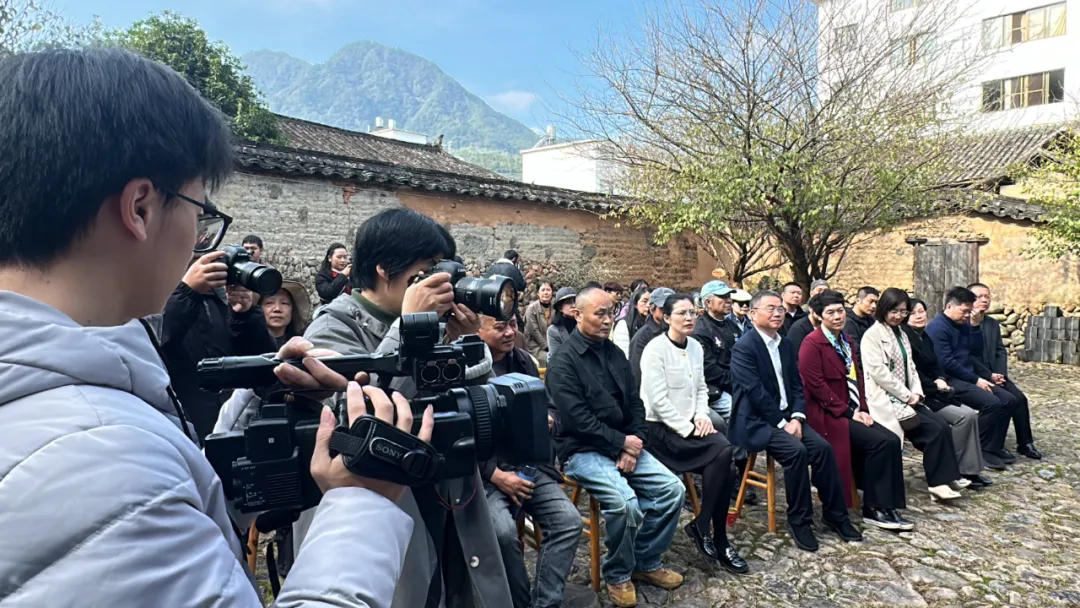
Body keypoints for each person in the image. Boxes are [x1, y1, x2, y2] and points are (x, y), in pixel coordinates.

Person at [0, 46, 430, 606]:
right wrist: (362, 504)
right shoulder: (98, 459)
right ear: (140, 208)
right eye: (201, 213)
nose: (202, 238)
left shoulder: (75, 402)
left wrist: (260, 393)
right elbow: (134, 491)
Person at [299, 207, 511, 608]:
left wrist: (465, 343)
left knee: (459, 586)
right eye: (429, 268)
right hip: (385, 502)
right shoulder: (335, 326)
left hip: (449, 488)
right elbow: (350, 422)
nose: (441, 281)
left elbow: (473, 405)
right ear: (384, 268)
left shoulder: (436, 323)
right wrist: (409, 328)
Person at [546, 286, 685, 607]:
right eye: (600, 314)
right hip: (582, 450)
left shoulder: (615, 353)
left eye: (611, 312)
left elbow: (635, 403)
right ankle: (618, 572)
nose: (609, 320)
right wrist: (621, 443)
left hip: (624, 444)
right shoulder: (564, 362)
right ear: (577, 315)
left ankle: (645, 560)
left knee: (672, 491)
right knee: (625, 504)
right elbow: (578, 420)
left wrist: (633, 442)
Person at [728, 290, 862, 552]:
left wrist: (798, 416)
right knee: (796, 452)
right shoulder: (744, 347)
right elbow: (756, 394)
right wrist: (783, 423)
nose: (778, 313)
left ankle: (836, 515)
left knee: (823, 449)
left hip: (789, 418)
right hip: (758, 421)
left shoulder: (786, 344)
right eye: (771, 308)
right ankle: (799, 520)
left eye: (780, 308)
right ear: (753, 314)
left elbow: (797, 385)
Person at [476, 314, 583, 608]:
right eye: (500, 327)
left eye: (513, 324)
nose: (511, 332)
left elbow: (550, 406)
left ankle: (546, 603)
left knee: (568, 522)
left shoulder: (523, 360)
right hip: (486, 475)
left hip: (529, 466)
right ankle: (517, 602)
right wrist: (494, 474)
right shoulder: (466, 367)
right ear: (478, 329)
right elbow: (458, 434)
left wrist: (548, 419)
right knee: (502, 533)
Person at [640, 294, 748, 574]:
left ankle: (713, 533)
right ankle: (705, 529)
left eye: (692, 313)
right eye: (681, 314)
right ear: (666, 318)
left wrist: (701, 415)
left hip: (690, 424)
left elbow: (701, 388)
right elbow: (658, 402)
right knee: (724, 452)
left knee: (729, 469)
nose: (689, 318)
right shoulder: (655, 350)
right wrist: (689, 427)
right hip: (662, 431)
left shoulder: (696, 348)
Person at [799, 292, 912, 531]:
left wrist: (862, 407)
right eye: (830, 312)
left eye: (840, 310)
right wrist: (850, 413)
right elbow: (816, 386)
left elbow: (857, 377)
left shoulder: (847, 341)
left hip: (851, 409)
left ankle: (887, 504)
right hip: (827, 414)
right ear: (818, 316)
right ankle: (873, 507)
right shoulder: (812, 343)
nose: (838, 316)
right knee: (879, 442)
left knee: (890, 440)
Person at [861, 288, 967, 501]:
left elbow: (910, 366)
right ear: (883, 309)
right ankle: (937, 483)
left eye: (903, 311)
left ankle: (946, 477)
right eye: (894, 311)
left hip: (909, 395)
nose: (899, 316)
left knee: (942, 426)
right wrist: (906, 395)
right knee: (930, 431)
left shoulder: (901, 333)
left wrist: (916, 391)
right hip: (888, 397)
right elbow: (880, 373)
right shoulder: (872, 336)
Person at [160, 254, 277, 441]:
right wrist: (188, 292)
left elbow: (260, 364)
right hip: (181, 429)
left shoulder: (221, 302)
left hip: (234, 426)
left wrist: (245, 315)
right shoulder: (156, 299)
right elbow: (160, 341)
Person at [903, 298, 994, 485]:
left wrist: (941, 378)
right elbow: (913, 373)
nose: (919, 316)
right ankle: (954, 469)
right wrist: (934, 385)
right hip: (923, 394)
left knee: (970, 415)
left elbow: (937, 364)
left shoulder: (924, 335)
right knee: (963, 418)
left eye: (921, 311)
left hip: (938, 390)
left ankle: (969, 470)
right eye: (913, 313)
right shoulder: (905, 337)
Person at [925, 287, 1018, 470]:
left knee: (1009, 400)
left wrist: (974, 327)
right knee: (992, 403)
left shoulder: (964, 324)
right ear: (950, 306)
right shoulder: (938, 328)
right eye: (964, 311)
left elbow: (974, 352)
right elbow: (948, 363)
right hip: (950, 379)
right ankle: (980, 449)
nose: (967, 315)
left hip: (968, 376)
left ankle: (993, 447)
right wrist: (976, 380)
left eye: (969, 311)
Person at [969, 283, 1041, 459]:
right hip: (974, 376)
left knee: (1020, 398)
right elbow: (965, 355)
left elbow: (1000, 350)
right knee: (1003, 400)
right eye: (979, 297)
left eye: (987, 296)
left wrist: (1001, 374)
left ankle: (1025, 443)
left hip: (996, 375)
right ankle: (993, 445)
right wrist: (987, 376)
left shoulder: (992, 324)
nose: (984, 300)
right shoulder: (962, 323)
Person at [691, 280, 739, 425]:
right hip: (714, 389)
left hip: (736, 380)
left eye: (729, 296)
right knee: (736, 409)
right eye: (723, 297)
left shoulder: (731, 325)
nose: (729, 300)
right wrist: (736, 384)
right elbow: (709, 370)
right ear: (708, 301)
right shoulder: (700, 330)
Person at [629, 287, 675, 383]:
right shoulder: (642, 337)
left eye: (671, 308)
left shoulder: (679, 332)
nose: (667, 312)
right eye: (662, 308)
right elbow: (636, 374)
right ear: (652, 308)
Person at [263, 280, 312, 349]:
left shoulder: (302, 344)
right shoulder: (247, 343)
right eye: (269, 303)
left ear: (292, 311)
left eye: (284, 303)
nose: (277, 309)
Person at [612, 286, 650, 357]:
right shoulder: (624, 324)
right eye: (644, 301)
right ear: (635, 304)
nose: (648, 305)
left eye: (651, 302)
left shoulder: (656, 324)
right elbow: (623, 354)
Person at [524, 281, 554, 365]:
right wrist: (547, 347)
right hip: (535, 347)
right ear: (538, 293)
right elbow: (534, 331)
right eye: (543, 290)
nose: (546, 292)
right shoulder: (531, 309)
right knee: (552, 360)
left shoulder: (555, 308)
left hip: (552, 344)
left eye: (548, 290)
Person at [546, 286, 577, 360]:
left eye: (575, 301)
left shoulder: (583, 324)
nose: (573, 305)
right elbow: (557, 358)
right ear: (560, 308)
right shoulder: (553, 331)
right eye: (568, 302)